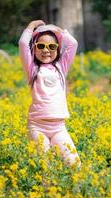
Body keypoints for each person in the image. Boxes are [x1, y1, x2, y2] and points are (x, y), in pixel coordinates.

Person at [18, 20, 81, 168]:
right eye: (41, 46)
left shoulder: (61, 67)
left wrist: (56, 29)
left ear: (57, 49)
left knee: (75, 165)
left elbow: (73, 44)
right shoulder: (32, 68)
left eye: (52, 46)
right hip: (37, 126)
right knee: (45, 168)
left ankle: (77, 192)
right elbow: (22, 43)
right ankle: (46, 192)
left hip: (59, 127)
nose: (46, 50)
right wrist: (31, 26)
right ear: (34, 48)